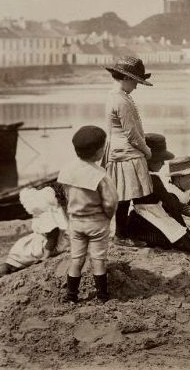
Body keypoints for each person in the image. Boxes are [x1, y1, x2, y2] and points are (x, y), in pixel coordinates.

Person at [58, 125, 118, 303]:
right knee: (98, 259)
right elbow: (111, 201)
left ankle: (71, 296)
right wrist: (107, 216)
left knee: (76, 259)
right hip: (96, 221)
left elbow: (65, 194)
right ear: (100, 151)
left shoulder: (67, 169)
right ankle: (102, 296)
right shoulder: (100, 175)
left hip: (75, 221)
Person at [103, 56, 154, 246]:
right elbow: (132, 134)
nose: (137, 86)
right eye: (135, 81)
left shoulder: (115, 96)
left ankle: (124, 233)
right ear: (125, 78)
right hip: (127, 152)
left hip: (118, 151)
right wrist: (147, 150)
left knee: (124, 194)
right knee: (130, 195)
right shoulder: (122, 101)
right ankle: (124, 235)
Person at [125, 134, 190, 253]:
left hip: (136, 217)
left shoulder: (133, 175)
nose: (163, 164)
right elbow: (171, 205)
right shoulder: (154, 180)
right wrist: (184, 229)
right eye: (160, 160)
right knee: (173, 233)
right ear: (150, 160)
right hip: (151, 214)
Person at [0, 184, 69, 278]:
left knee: (28, 250)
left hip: (52, 246)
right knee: (21, 244)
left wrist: (45, 257)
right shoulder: (44, 214)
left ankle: (9, 267)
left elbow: (52, 239)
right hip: (45, 240)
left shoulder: (49, 218)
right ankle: (9, 265)